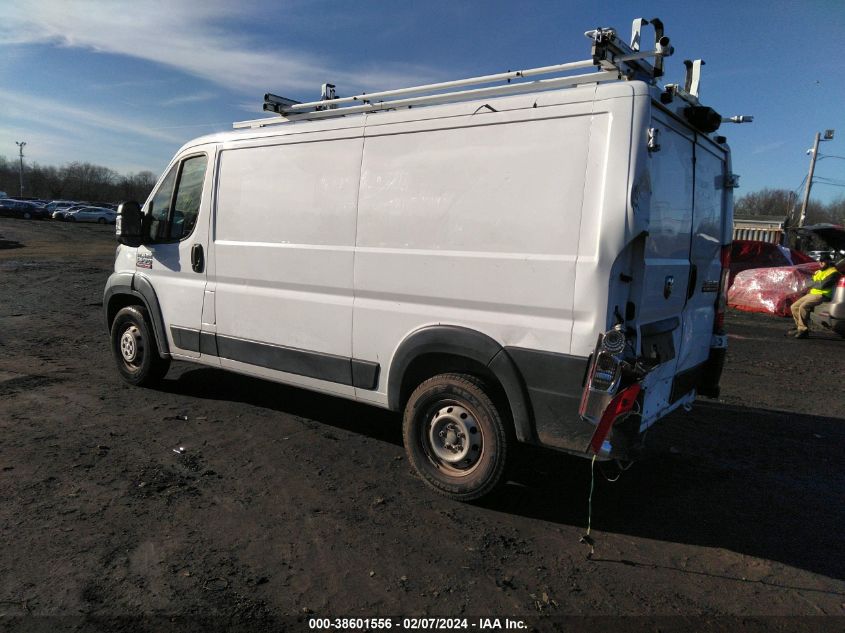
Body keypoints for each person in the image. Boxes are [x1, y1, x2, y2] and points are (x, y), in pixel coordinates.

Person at [789, 253, 840, 338]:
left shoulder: (834, 273)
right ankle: (799, 327)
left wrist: (814, 283)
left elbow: (823, 285)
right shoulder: (819, 272)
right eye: (820, 262)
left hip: (822, 295)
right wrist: (815, 283)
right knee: (794, 307)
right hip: (812, 294)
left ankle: (803, 330)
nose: (821, 263)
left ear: (828, 262)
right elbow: (808, 283)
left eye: (823, 262)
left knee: (803, 306)